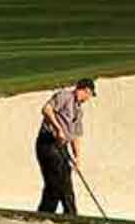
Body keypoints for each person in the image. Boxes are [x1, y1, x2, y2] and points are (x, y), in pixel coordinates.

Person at [35, 78, 96, 215]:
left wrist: (77, 157)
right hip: (48, 142)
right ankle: (45, 215)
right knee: (55, 181)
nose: (89, 98)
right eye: (90, 94)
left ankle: (71, 214)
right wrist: (58, 129)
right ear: (86, 90)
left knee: (66, 182)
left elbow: (75, 136)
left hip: (62, 147)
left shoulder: (79, 111)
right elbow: (46, 109)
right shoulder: (65, 96)